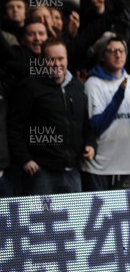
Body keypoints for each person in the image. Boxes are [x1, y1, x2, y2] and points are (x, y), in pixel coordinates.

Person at [7, 38, 96, 194]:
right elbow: (14, 127)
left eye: (61, 58)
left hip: (73, 171)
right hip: (41, 173)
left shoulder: (77, 87)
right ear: (42, 61)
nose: (56, 64)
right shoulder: (30, 87)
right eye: (51, 59)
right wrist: (25, 159)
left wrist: (90, 145)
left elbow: (86, 125)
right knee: (40, 218)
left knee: (74, 218)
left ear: (67, 59)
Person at [82, 35, 130, 191]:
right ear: (103, 55)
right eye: (112, 51)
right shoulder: (93, 83)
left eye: (121, 50)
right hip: (97, 166)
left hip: (124, 165)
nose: (118, 55)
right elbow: (96, 126)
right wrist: (119, 95)